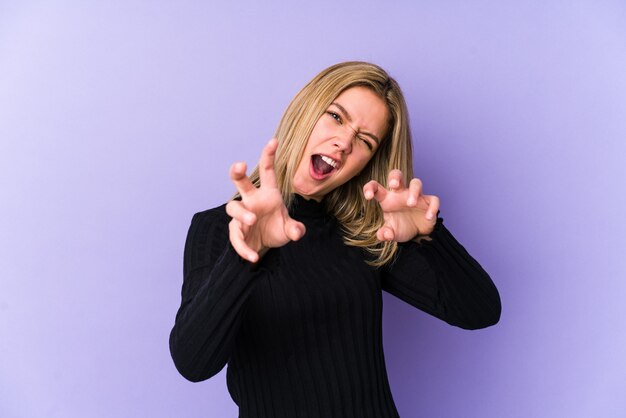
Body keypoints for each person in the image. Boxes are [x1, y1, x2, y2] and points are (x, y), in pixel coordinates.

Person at [169, 61, 501, 418]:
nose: (343, 143)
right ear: (305, 111)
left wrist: (430, 235)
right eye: (337, 117)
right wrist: (247, 257)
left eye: (364, 141)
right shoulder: (221, 227)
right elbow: (194, 363)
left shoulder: (363, 231)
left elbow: (480, 312)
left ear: (366, 164)